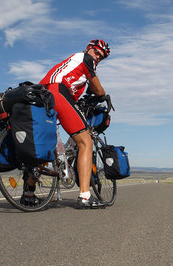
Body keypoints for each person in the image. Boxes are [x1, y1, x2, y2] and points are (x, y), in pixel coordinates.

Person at [20, 39, 111, 209]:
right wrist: (103, 95)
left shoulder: (73, 63)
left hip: (43, 94)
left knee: (44, 146)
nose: (98, 57)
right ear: (89, 49)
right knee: (86, 142)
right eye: (97, 52)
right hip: (58, 91)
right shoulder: (86, 59)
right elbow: (98, 89)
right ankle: (85, 196)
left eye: (102, 57)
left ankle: (28, 194)